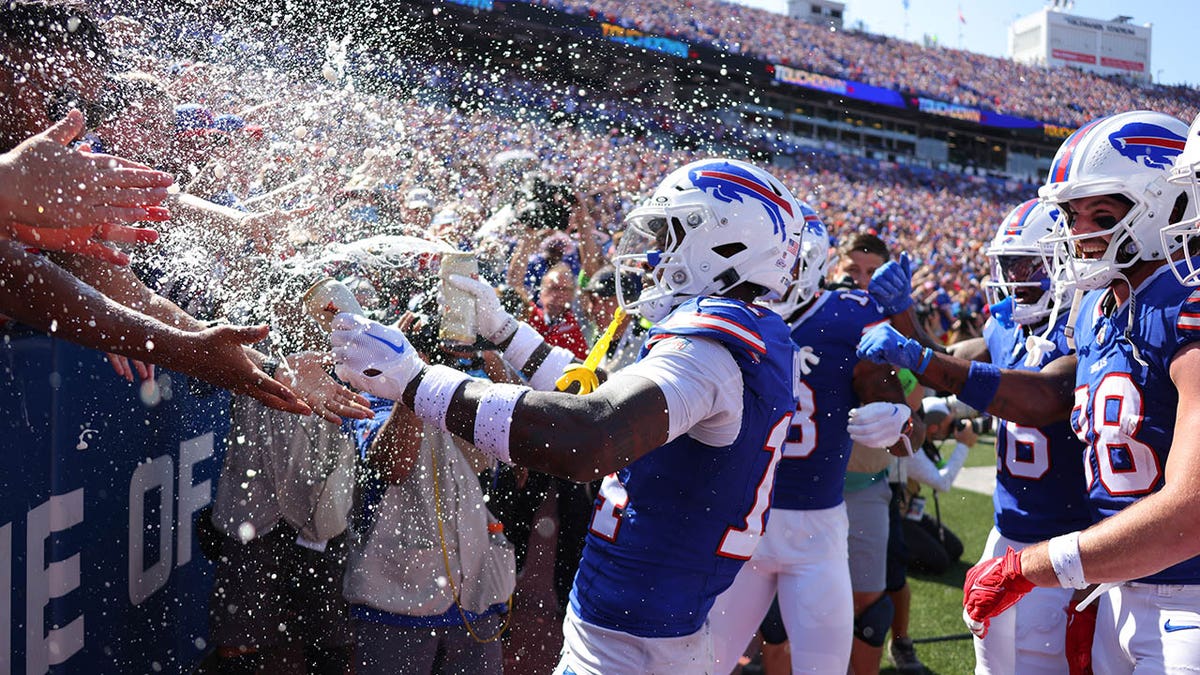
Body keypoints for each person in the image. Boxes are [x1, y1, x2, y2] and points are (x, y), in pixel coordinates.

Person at [331, 158, 801, 673]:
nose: (651, 255)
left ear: (725, 244)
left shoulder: (709, 349)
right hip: (648, 630)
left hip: (633, 649)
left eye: (669, 234)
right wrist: (506, 329)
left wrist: (414, 381)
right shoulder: (740, 336)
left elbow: (592, 432)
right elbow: (599, 396)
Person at [857, 110, 1200, 674]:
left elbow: (1189, 510)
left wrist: (1035, 564)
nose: (1078, 232)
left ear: (1168, 204)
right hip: (1113, 585)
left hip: (1184, 591)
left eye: (1103, 213)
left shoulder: (1184, 302)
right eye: (1071, 215)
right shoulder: (1097, 308)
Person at [0, 2, 308, 413]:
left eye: (80, 105)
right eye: (55, 96)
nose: (70, 119)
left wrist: (267, 368)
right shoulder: (36, 170)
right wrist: (8, 182)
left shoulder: (55, 175)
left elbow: (114, 295)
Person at [707, 203, 918, 674]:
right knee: (704, 662)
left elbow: (912, 429)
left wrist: (897, 421)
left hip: (814, 527)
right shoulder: (725, 315)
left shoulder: (849, 315)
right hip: (739, 521)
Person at [946, 198, 1093, 675]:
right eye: (1009, 265)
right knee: (989, 665)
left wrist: (920, 358)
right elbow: (955, 364)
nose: (1016, 277)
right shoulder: (1005, 324)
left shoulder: (1086, 327)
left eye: (1029, 263)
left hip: (1065, 540)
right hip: (1003, 532)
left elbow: (1038, 399)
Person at [343, 310, 516, 675]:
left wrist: (491, 358)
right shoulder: (368, 393)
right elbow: (394, 465)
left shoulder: (463, 387)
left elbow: (514, 458)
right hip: (396, 601)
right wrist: (409, 378)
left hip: (474, 599)